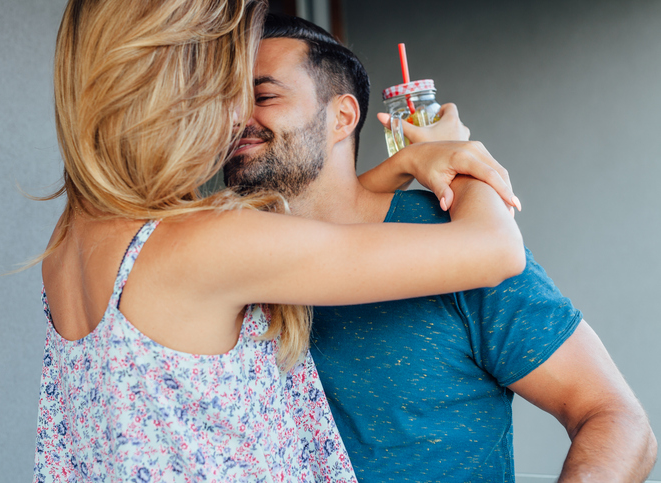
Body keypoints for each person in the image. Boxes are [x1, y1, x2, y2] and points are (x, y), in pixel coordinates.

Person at [33, 1, 527, 482]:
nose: (236, 112)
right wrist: (459, 154)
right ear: (182, 87)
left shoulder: (71, 242)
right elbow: (496, 249)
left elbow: (300, 227)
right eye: (230, 83)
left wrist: (392, 169)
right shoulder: (210, 246)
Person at [223, 13, 658, 482]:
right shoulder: (219, 253)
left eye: (263, 96)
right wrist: (434, 158)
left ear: (343, 117)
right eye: (227, 104)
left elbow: (617, 420)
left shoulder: (451, 239)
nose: (235, 119)